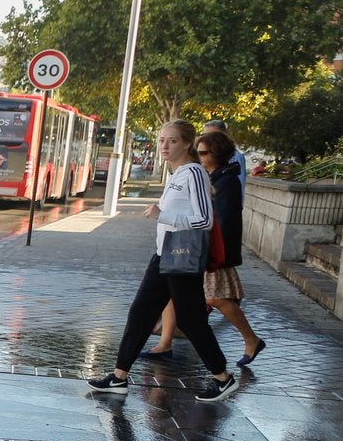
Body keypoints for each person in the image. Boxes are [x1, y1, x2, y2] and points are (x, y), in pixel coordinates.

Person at [87, 119, 238, 403]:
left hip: (181, 259)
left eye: (172, 140)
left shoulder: (193, 173)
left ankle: (223, 378)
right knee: (140, 314)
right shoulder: (177, 174)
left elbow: (204, 220)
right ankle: (119, 377)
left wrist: (162, 214)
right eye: (161, 140)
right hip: (164, 256)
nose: (165, 146)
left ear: (186, 144)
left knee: (192, 322)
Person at [141, 128, 264, 366]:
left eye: (204, 152)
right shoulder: (206, 175)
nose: (200, 156)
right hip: (191, 248)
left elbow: (221, 221)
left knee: (217, 298)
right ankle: (164, 343)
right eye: (199, 152)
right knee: (173, 295)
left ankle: (250, 340)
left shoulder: (226, 181)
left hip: (207, 251)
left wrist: (211, 254)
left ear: (217, 154)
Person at [202, 120, 247, 193]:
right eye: (205, 135)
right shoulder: (205, 155)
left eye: (213, 135)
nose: (207, 139)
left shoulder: (235, 157)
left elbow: (239, 186)